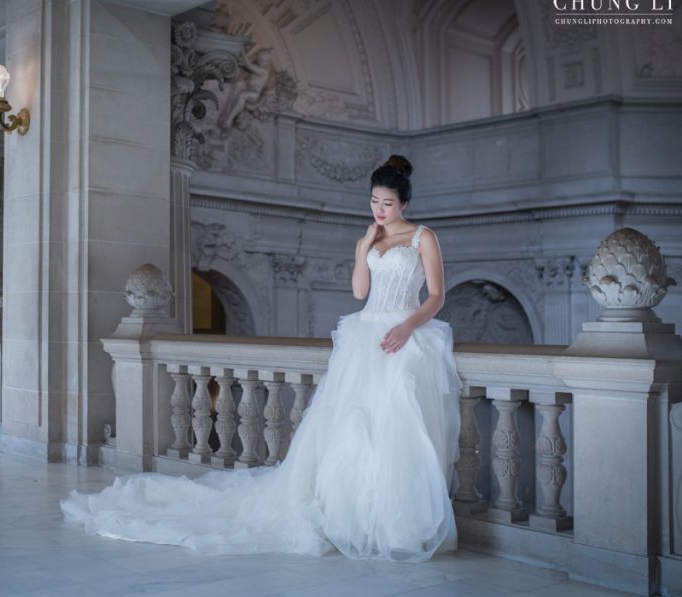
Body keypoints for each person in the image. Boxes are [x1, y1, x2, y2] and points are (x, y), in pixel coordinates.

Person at [61, 154, 462, 562]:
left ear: (405, 204)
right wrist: (362, 249)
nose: (379, 210)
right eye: (374, 201)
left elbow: (436, 296)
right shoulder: (371, 237)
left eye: (387, 204)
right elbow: (360, 293)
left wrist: (407, 327)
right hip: (365, 334)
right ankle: (352, 514)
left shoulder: (422, 238)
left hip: (402, 332)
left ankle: (391, 520)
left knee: (396, 427)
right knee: (350, 430)